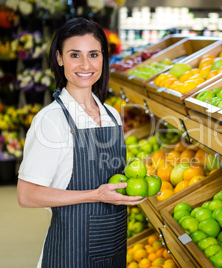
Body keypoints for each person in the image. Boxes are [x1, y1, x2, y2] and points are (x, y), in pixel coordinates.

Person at [17, 17, 147, 267]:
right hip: (70, 251)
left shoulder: (111, 115)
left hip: (113, 246)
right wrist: (95, 195)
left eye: (94, 54)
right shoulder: (51, 120)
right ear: (59, 58)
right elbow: (27, 195)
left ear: (103, 58)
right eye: (75, 55)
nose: (86, 64)